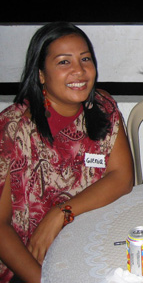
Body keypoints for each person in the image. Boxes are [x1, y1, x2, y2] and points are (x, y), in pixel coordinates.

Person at [0, 22, 134, 283]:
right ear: (40, 74)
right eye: (64, 62)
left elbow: (122, 178)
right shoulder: (12, 130)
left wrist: (61, 213)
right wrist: (42, 279)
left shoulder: (103, 108)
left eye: (85, 59)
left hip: (91, 244)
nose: (79, 70)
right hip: (30, 261)